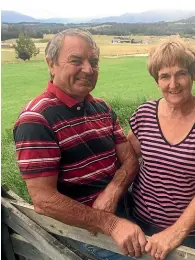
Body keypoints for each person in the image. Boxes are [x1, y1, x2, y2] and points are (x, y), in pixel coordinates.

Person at [13, 28, 146, 260]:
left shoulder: (102, 108)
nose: (88, 69)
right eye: (76, 61)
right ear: (51, 64)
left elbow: (130, 160)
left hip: (126, 213)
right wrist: (111, 224)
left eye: (93, 62)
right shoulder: (37, 119)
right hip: (86, 234)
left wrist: (113, 190)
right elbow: (44, 201)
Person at [127, 38, 195, 260]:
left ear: (193, 74)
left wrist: (175, 233)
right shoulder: (144, 114)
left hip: (191, 231)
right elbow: (128, 158)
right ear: (157, 80)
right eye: (165, 76)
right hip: (140, 221)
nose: (173, 83)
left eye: (181, 73)